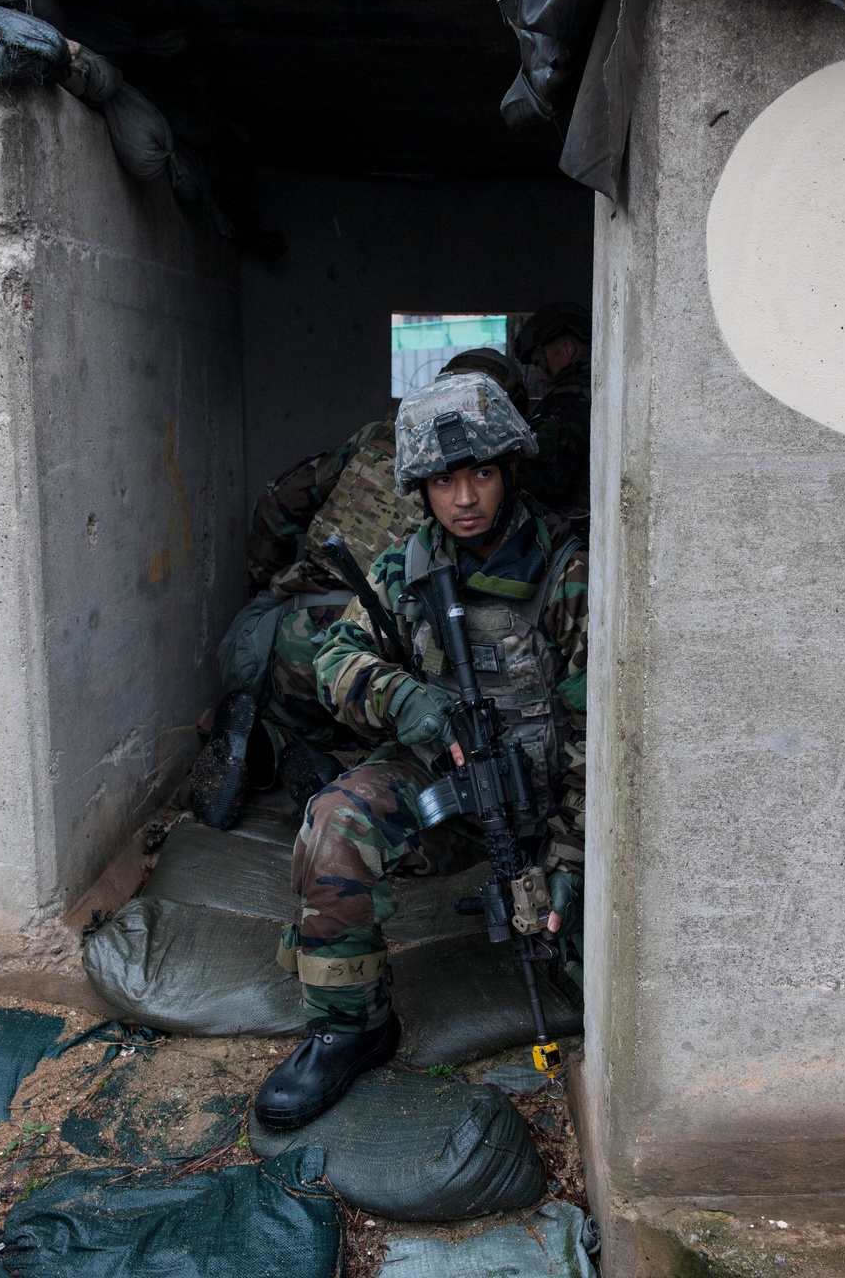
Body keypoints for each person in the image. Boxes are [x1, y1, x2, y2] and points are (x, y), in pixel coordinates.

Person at [254, 371, 587, 1132]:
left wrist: (567, 863)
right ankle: (349, 1026)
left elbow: (601, 738)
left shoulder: (566, 570)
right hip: (449, 788)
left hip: (553, 802)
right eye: (443, 480)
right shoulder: (406, 566)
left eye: (481, 473)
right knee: (336, 820)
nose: (464, 498)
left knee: (581, 966)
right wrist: (403, 697)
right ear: (420, 489)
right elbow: (335, 658)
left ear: (510, 471)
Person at [184, 349, 530, 831]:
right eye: (445, 481)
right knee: (412, 730)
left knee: (343, 697)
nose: (463, 494)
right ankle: (325, 758)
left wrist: (265, 585)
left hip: (285, 636)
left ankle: (269, 739)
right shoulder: (490, 486)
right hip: (364, 642)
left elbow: (277, 502)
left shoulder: (380, 436)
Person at [514, 301, 592, 520]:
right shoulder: (609, 387)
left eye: (539, 363)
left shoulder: (566, 399)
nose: (540, 376)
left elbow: (540, 480)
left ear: (568, 349)